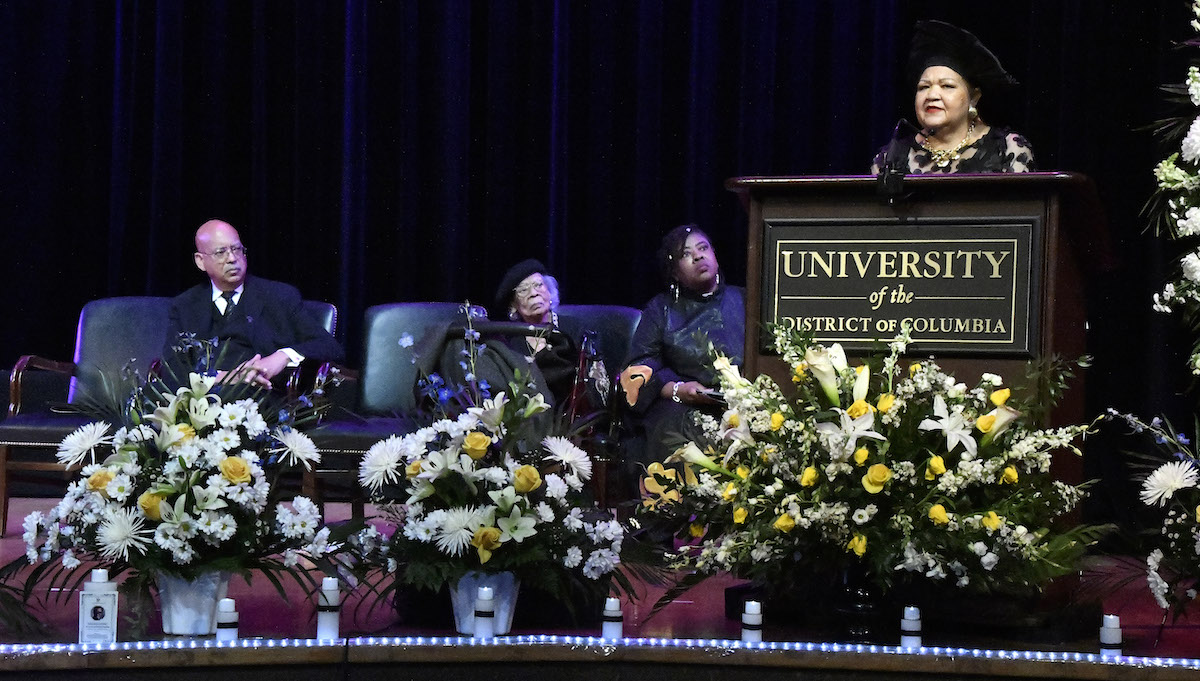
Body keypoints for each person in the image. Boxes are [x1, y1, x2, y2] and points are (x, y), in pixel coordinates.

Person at [162, 219, 344, 387]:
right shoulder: (186, 304)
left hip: (260, 396)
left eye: (237, 249)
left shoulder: (279, 296)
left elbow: (329, 346)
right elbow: (172, 368)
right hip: (203, 400)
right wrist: (223, 378)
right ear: (200, 261)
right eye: (221, 252)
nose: (232, 259)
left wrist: (283, 355)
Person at [621, 225, 745, 467]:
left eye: (703, 248)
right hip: (684, 406)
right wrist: (678, 389)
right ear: (675, 273)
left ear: (715, 256)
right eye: (685, 254)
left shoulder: (745, 299)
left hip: (743, 403)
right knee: (678, 432)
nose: (698, 256)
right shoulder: (661, 309)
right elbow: (636, 372)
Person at [871, 20, 1035, 175]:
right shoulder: (890, 158)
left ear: (974, 98)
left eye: (947, 86)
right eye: (924, 87)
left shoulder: (1007, 150)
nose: (932, 95)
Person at [492, 259, 578, 406]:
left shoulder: (575, 329)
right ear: (513, 305)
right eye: (523, 290)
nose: (533, 293)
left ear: (550, 292)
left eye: (539, 285)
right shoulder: (509, 341)